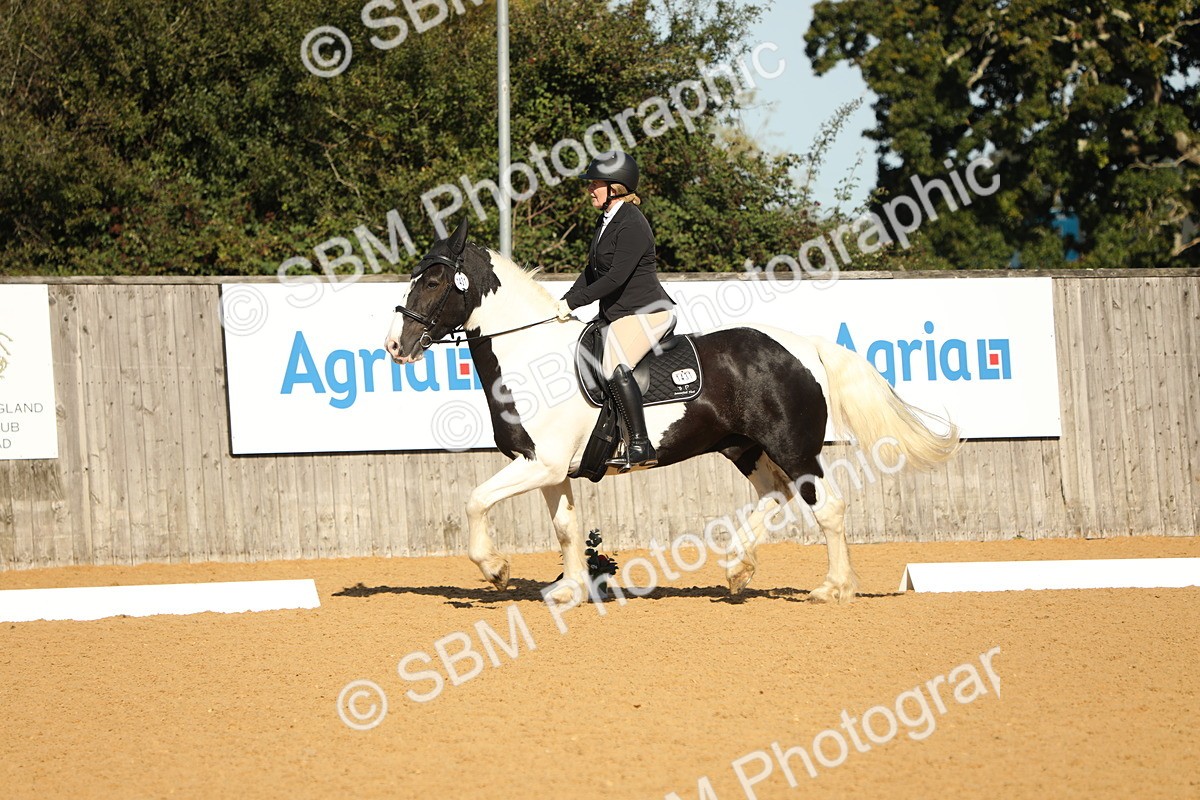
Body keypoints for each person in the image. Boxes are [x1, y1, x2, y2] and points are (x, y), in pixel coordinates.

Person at [554, 151, 676, 468]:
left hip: (647, 312)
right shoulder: (608, 220)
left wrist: (575, 303)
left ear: (615, 187)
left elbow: (615, 277)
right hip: (621, 314)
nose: (590, 189)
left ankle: (640, 445)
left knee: (614, 365)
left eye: (596, 184)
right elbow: (592, 271)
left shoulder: (632, 223)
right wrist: (563, 300)